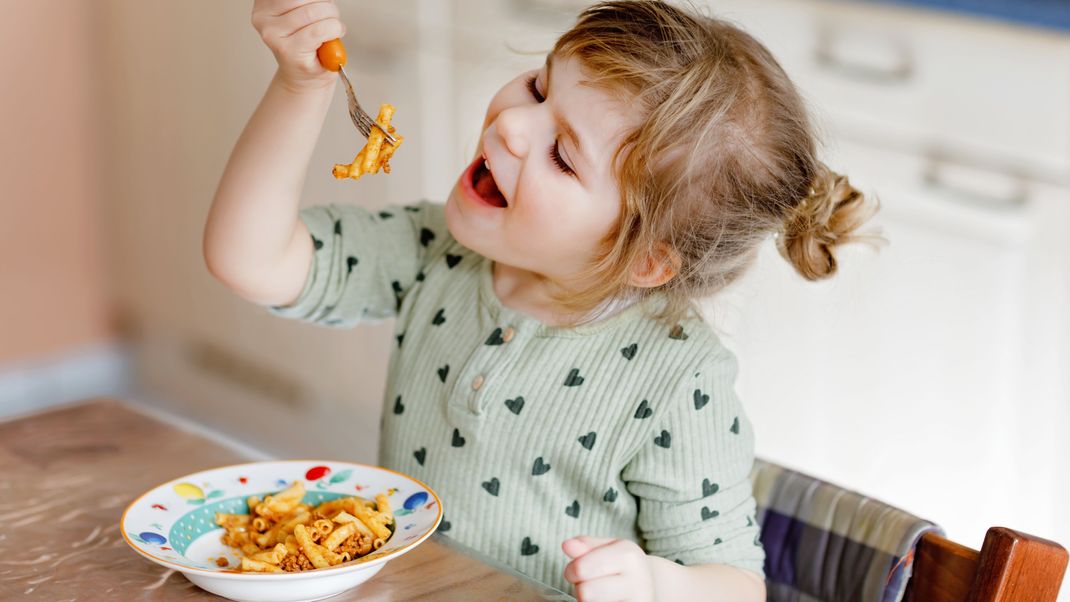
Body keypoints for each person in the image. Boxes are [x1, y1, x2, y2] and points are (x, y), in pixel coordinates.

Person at [203, 1, 882, 599]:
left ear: (646, 259)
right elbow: (251, 258)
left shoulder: (679, 380)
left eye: (562, 154)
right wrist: (302, 84)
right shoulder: (435, 249)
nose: (511, 127)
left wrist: (655, 585)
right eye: (538, 87)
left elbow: (735, 587)